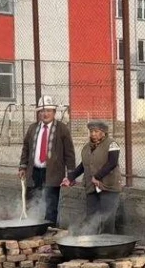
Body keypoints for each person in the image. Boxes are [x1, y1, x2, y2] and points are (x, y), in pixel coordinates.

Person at [18, 95, 75, 226]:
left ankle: (49, 229)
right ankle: (32, 227)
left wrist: (71, 174)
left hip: (53, 173)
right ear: (39, 113)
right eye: (42, 111)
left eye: (49, 111)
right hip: (34, 172)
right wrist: (23, 166)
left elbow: (69, 152)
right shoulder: (33, 128)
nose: (45, 114)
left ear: (54, 112)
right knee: (32, 201)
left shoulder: (62, 129)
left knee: (51, 204)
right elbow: (26, 148)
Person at [62, 120, 121, 234]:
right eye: (91, 131)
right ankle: (92, 240)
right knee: (91, 216)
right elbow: (83, 165)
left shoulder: (112, 144)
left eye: (96, 131)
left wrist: (97, 176)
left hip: (108, 186)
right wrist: (70, 178)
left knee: (107, 217)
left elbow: (112, 163)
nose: (93, 134)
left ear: (103, 132)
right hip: (91, 186)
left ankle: (108, 241)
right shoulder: (86, 147)